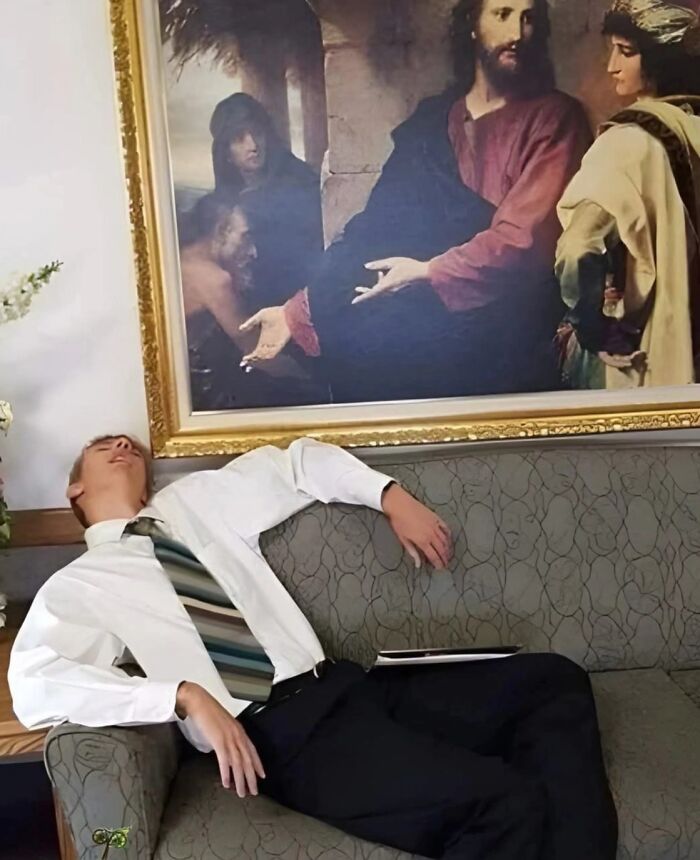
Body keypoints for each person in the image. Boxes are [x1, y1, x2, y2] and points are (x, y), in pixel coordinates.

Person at [9, 434, 617, 860]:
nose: (124, 447)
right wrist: (184, 696)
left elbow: (296, 465)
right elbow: (36, 681)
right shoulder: (80, 586)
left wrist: (389, 497)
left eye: (131, 444)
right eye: (103, 446)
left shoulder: (193, 502)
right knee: (505, 804)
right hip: (284, 737)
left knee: (554, 680)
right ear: (73, 489)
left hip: (348, 687)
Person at [239, 0, 593, 404]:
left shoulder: (555, 118)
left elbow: (523, 242)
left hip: (504, 320)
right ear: (473, 25)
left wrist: (428, 271)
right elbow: (374, 226)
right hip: (422, 301)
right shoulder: (432, 121)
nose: (516, 33)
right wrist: (295, 311)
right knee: (368, 344)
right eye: (502, 14)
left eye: (529, 19)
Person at [555, 0, 700, 389]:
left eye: (627, 52)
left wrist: (592, 329)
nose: (611, 66)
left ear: (660, 61)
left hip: (641, 356)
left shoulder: (625, 144)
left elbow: (577, 248)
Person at [181, 194, 328, 411]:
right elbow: (260, 353)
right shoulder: (214, 278)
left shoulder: (185, 260)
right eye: (245, 237)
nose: (253, 252)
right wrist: (320, 380)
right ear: (223, 232)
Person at [210, 93, 324, 310]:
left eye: (257, 134)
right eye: (239, 138)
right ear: (226, 153)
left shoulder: (298, 181)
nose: (253, 145)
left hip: (293, 305)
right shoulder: (227, 197)